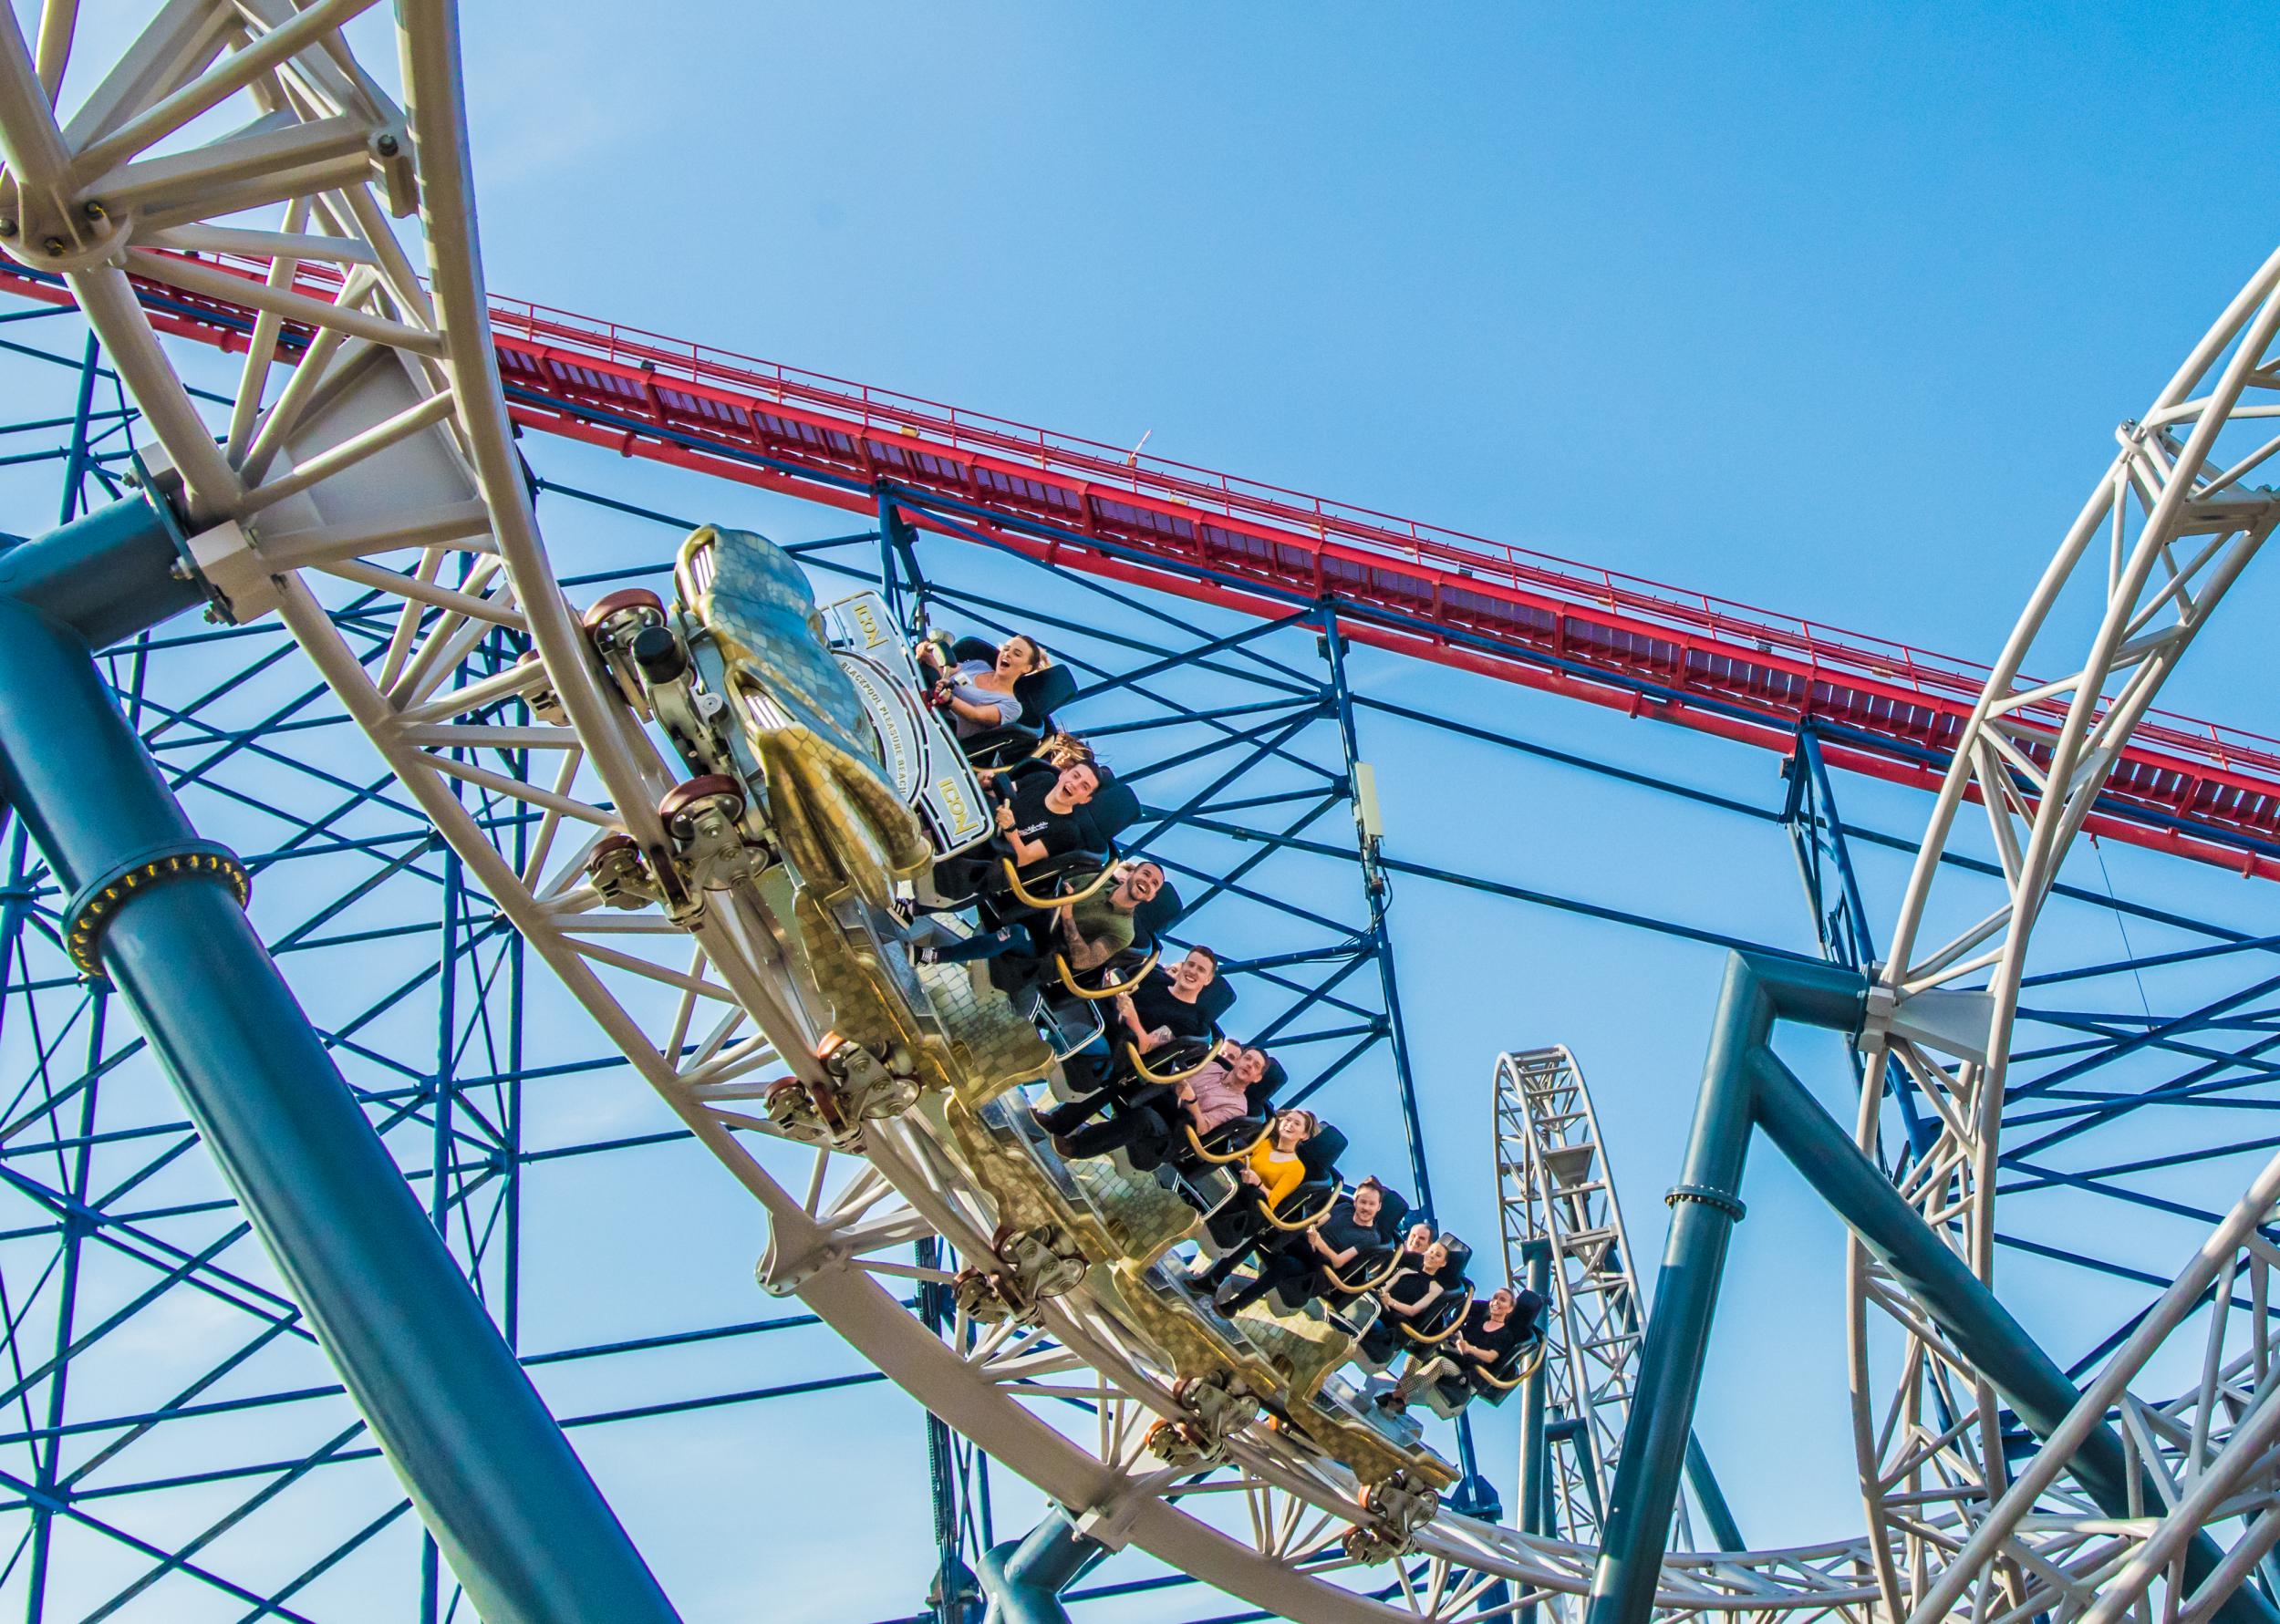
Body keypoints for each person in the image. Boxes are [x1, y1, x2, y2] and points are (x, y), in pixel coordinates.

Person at [1216, 1175, 1386, 1315]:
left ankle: (1235, 1305)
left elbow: (1338, 1262)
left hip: (1316, 1271)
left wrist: (1319, 1242)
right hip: (1305, 1249)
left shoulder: (1371, 1237)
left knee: (1286, 1265)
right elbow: (1319, 1221)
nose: (1366, 1207)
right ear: (1356, 1201)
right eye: (1363, 1202)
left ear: (1379, 1207)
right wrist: (1309, 1226)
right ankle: (1215, 1277)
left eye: (1371, 1204)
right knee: (1263, 1234)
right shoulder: (1344, 1208)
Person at [1380, 1284, 1544, 1413]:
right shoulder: (1480, 1318)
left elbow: (1491, 1357)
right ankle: (1400, 1400)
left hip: (1469, 1373)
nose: (1496, 1302)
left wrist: (1470, 1349)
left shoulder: (1506, 1334)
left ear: (1510, 1309)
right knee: (1419, 1353)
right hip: (1453, 1354)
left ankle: (1395, 1395)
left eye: (1503, 1300)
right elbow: (1464, 1309)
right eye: (1495, 1298)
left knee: (1440, 1364)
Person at [922, 633, 1049, 741]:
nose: (1007, 654)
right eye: (1006, 649)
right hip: (926, 701)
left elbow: (976, 714)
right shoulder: (979, 666)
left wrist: (950, 699)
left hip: (942, 729)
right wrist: (928, 655)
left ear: (1027, 668)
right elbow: (944, 670)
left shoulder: (1012, 706)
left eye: (1017, 654)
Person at [1059, 860, 1164, 974]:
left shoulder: (1124, 932)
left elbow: (1083, 961)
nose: (1148, 882)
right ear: (1131, 874)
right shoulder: (1096, 880)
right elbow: (1056, 887)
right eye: (1146, 874)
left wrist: (1067, 916)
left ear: (1151, 897)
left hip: (1051, 950)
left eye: (1154, 883)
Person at [1116, 946, 1218, 1056]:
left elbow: (1145, 1047)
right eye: (1190, 964)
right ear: (1183, 966)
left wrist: (1132, 1017)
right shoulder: (1155, 977)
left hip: (1119, 1045)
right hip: (1103, 1013)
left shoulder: (1190, 1019)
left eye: (1201, 970)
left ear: (1208, 979)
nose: (1192, 971)